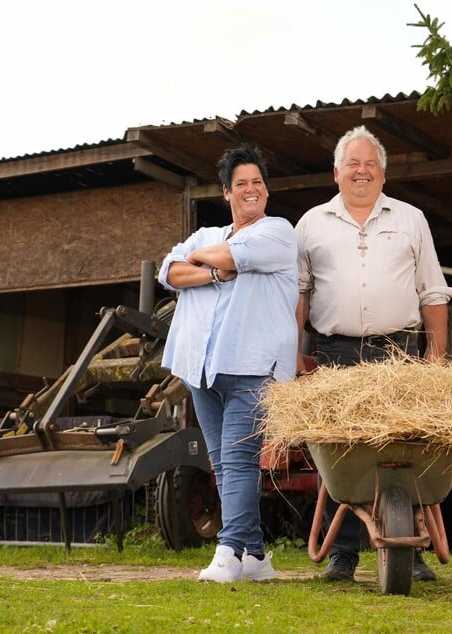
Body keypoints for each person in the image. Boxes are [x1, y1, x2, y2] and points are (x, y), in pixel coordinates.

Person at [295, 125, 452, 582]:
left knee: (404, 450)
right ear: (336, 173)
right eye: (353, 164)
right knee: (342, 453)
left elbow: (433, 292)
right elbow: (300, 297)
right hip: (336, 353)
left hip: (399, 352)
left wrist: (437, 360)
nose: (361, 171)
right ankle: (342, 555)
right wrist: (291, 357)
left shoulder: (410, 219)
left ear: (383, 174)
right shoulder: (310, 224)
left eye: (370, 164)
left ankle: (415, 549)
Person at [159, 144, 298, 583]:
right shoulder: (206, 236)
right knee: (222, 464)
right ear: (226, 191)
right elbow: (169, 271)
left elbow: (234, 256)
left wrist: (205, 259)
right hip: (201, 367)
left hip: (252, 366)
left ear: (266, 190)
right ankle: (255, 557)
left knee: (238, 462)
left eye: (257, 183)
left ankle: (227, 552)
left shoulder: (277, 232)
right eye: (242, 184)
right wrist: (212, 272)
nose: (251, 190)